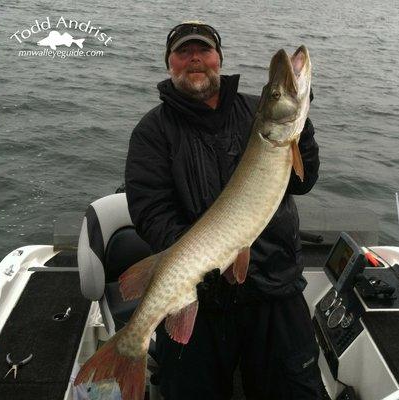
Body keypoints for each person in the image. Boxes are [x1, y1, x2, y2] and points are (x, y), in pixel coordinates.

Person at [125, 21, 324, 400]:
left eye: (203, 50)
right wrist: (201, 257)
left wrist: (303, 128)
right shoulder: (152, 132)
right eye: (183, 53)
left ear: (219, 59)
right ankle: (127, 351)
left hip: (274, 290)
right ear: (170, 64)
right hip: (202, 298)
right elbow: (150, 210)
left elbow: (303, 180)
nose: (194, 59)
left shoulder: (256, 110)